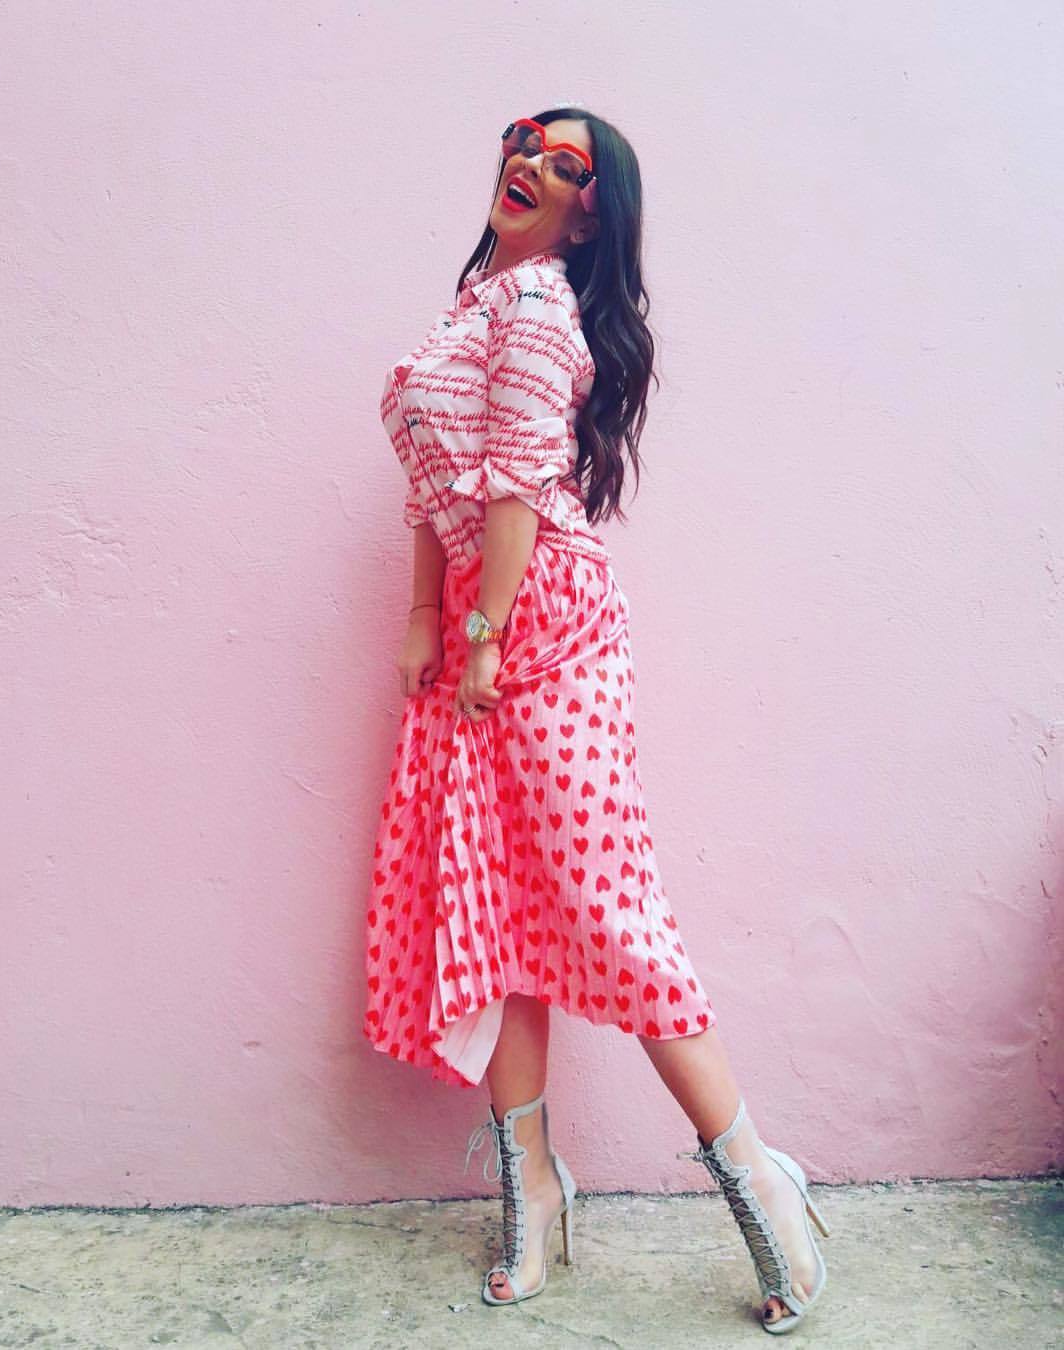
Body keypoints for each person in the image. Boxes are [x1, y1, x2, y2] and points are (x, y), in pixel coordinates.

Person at [364, 105, 831, 1335]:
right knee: (502, 915)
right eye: (523, 139)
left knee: (605, 909)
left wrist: (482, 631)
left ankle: (760, 1179)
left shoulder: (536, 306)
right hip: (481, 621)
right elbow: (436, 483)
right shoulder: (473, 306)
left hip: (544, 625)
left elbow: (520, 478)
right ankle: (534, 1192)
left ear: (588, 216)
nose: (529, 161)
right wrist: (424, 613)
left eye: (564, 162)